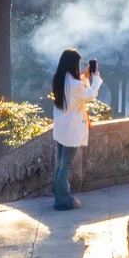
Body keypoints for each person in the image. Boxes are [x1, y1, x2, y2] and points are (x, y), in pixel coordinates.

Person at [51, 49, 101, 211]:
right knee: (66, 164)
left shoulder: (60, 79)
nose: (80, 66)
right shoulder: (75, 85)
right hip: (71, 130)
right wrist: (96, 77)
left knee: (61, 163)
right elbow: (90, 94)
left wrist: (85, 76)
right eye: (78, 64)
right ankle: (63, 200)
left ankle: (59, 195)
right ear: (72, 64)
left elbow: (74, 88)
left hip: (61, 127)